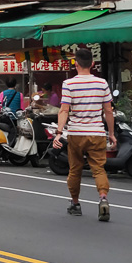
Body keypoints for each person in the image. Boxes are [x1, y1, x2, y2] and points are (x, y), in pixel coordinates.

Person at [53, 47, 115, 221]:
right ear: (93, 64)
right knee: (98, 169)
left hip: (76, 134)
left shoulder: (69, 84)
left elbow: (64, 110)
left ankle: (75, 204)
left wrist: (58, 133)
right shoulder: (102, 83)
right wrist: (111, 133)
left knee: (75, 170)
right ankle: (103, 198)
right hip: (97, 133)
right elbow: (108, 111)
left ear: (75, 63)